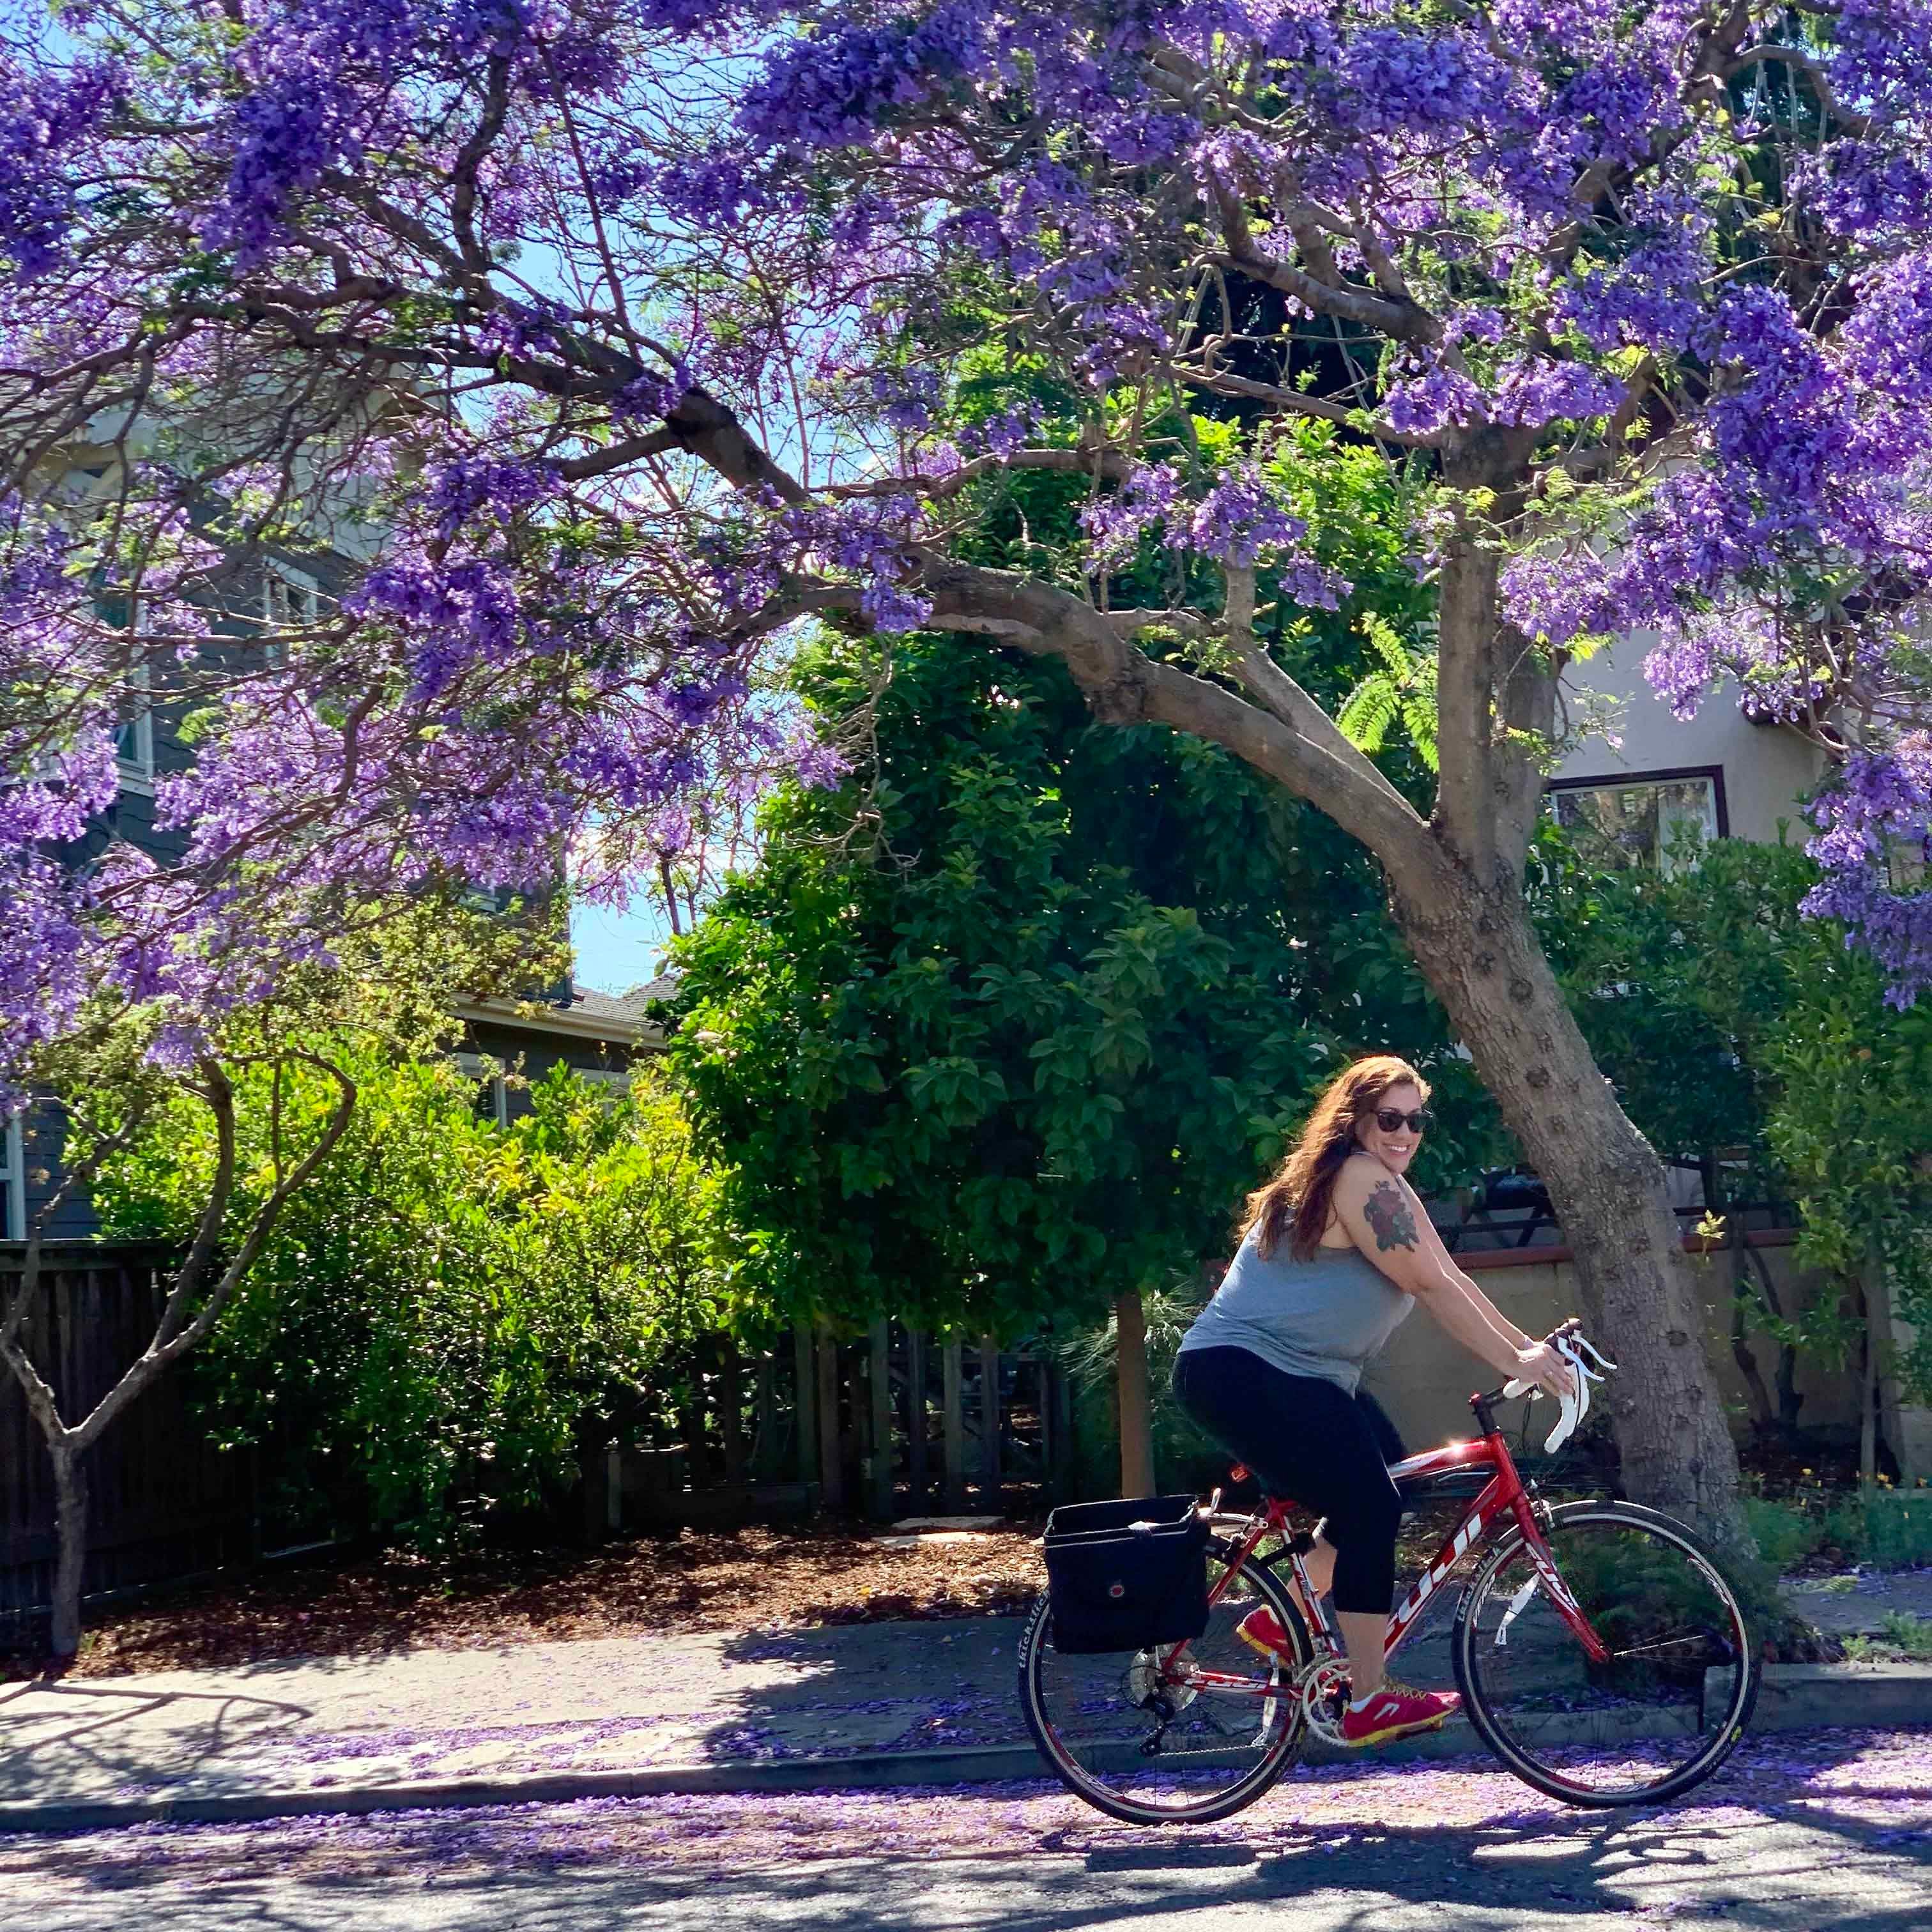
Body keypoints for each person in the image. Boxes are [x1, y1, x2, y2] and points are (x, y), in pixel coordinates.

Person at [1172, 1054, 1576, 1749]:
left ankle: (1283, 1619)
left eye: (1417, 1120)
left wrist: (1529, 1350)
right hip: (1246, 1372)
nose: (1405, 1132)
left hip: (1293, 1377)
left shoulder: (1381, 1181)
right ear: (1356, 1119)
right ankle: (1369, 1696)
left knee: (1390, 1476)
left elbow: (1446, 1274)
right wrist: (1517, 1361)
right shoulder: (1361, 1179)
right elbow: (1431, 1287)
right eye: (1391, 1118)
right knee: (1371, 1504)